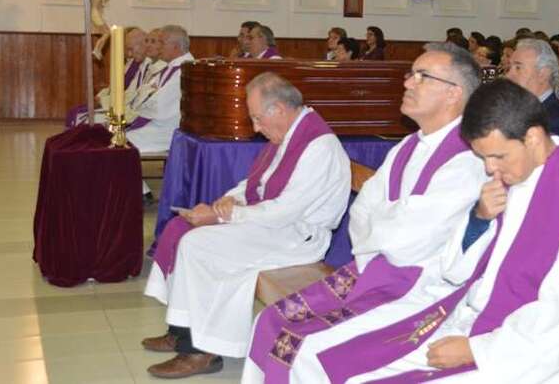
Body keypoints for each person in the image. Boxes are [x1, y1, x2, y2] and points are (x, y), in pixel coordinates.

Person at [248, 79, 559, 383]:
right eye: (484, 158)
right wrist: (480, 218)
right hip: (466, 320)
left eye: (497, 156)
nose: (490, 169)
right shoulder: (517, 175)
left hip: (523, 358)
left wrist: (475, 350)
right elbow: (457, 269)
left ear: (532, 137)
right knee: (334, 364)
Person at [241, 42, 489, 383]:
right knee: (270, 321)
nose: (408, 82)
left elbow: (411, 240)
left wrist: (383, 225)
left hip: (421, 288)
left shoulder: (468, 158)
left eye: (422, 76)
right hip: (373, 266)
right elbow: (362, 210)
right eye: (411, 74)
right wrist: (386, 225)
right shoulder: (409, 145)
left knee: (305, 349)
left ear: (453, 93)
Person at [142, 73, 351, 378]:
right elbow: (259, 182)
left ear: (278, 109)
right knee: (185, 231)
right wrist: (231, 200)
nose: (255, 127)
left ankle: (202, 351)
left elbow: (285, 212)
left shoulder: (318, 147)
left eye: (256, 118)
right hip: (277, 228)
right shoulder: (291, 134)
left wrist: (225, 216)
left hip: (297, 237)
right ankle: (183, 332)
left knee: (199, 244)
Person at [125, 25, 195, 154]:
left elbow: (158, 105)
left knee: (122, 142)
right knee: (117, 138)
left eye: (161, 43)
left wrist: (134, 116)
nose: (158, 47)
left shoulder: (186, 70)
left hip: (169, 130)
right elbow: (143, 93)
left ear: (175, 47)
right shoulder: (171, 66)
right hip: (157, 123)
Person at [506, 38, 559, 141]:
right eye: (509, 67)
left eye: (518, 68)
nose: (508, 75)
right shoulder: (509, 107)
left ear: (543, 74)